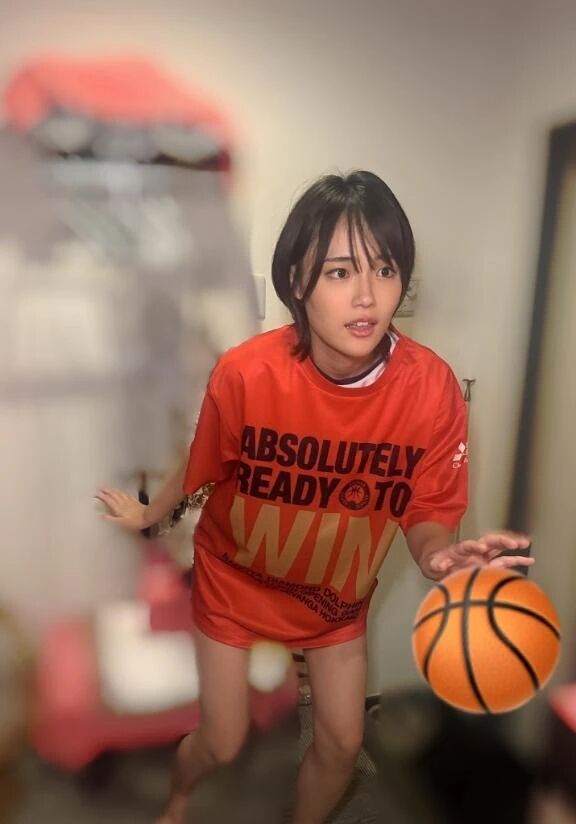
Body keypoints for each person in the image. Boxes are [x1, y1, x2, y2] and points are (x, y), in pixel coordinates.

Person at [96, 170, 532, 824]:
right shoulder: (246, 373)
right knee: (222, 742)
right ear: (297, 281)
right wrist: (148, 516)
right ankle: (178, 800)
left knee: (343, 744)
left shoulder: (432, 390)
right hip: (235, 580)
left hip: (333, 599)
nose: (367, 296)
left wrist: (440, 558)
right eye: (339, 272)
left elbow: (428, 512)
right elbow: (199, 463)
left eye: (384, 270)